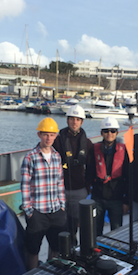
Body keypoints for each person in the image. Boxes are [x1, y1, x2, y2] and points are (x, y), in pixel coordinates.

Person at [20, 117, 67, 270]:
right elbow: (25, 185)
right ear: (39, 135)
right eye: (45, 134)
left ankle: (51, 273)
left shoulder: (57, 157)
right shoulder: (30, 157)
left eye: (52, 135)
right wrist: (28, 210)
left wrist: (62, 206)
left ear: (55, 136)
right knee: (33, 249)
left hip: (55, 210)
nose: (49, 138)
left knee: (56, 247)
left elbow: (60, 182)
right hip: (37, 211)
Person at [53, 104, 94, 246]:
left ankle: (72, 248)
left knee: (74, 222)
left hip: (79, 190)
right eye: (72, 119)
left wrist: (87, 188)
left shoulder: (87, 144)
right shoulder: (57, 141)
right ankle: (59, 250)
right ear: (67, 120)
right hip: (60, 190)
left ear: (82, 122)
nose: (74, 122)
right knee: (60, 223)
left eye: (78, 119)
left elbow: (90, 168)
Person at [86, 116, 129, 236]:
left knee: (116, 231)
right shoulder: (94, 150)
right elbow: (89, 172)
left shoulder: (124, 151)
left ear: (117, 132)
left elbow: (129, 177)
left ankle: (114, 253)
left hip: (116, 198)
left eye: (112, 131)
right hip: (98, 197)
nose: (109, 133)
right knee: (96, 230)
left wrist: (126, 201)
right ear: (101, 133)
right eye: (106, 131)